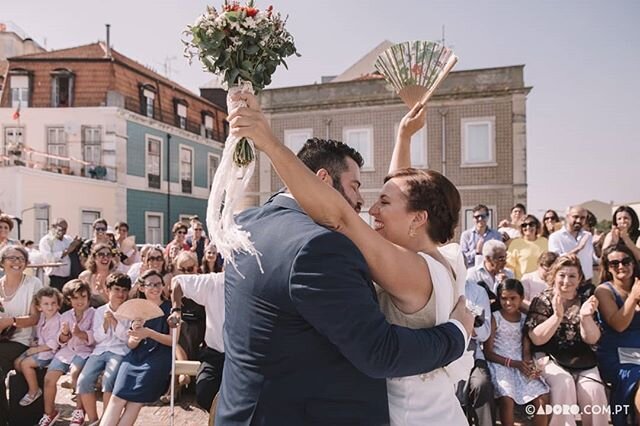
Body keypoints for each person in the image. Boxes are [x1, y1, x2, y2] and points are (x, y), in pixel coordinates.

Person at [225, 93, 473, 425]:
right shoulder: (429, 257)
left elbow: (341, 217)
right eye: (361, 190)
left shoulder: (416, 270)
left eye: (382, 202)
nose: (369, 209)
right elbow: (404, 195)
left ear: (417, 219)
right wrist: (403, 136)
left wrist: (269, 142)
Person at [525, 254, 608, 426]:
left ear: (579, 280)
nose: (566, 281)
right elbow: (536, 339)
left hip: (581, 359)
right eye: (562, 275)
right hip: (549, 357)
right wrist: (557, 316)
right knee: (564, 385)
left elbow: (593, 339)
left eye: (572, 276)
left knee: (594, 391)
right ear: (553, 276)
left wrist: (585, 317)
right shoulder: (542, 300)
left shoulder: (586, 300)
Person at [100, 270, 173, 426]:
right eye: (150, 284)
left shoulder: (171, 309)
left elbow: (173, 341)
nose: (155, 287)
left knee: (134, 403)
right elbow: (130, 344)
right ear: (141, 288)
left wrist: (149, 333)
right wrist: (136, 336)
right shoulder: (137, 309)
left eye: (158, 284)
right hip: (135, 356)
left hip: (158, 357)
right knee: (116, 398)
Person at [483, 279, 549, 426]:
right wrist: (512, 363)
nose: (508, 303)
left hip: (520, 364)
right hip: (500, 364)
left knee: (542, 397)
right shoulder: (495, 318)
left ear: (521, 298)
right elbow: (488, 352)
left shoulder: (524, 320)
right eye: (504, 298)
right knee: (507, 398)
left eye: (513, 298)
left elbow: (526, 350)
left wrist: (529, 366)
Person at [77, 273, 131, 426]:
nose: (120, 294)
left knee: (109, 380)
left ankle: (108, 421)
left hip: (120, 351)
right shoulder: (100, 311)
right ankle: (94, 420)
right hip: (100, 351)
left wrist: (114, 322)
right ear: (108, 290)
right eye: (117, 289)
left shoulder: (130, 311)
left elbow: (127, 339)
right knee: (83, 380)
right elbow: (97, 338)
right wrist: (105, 325)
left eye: (124, 290)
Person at [594, 245, 640, 426]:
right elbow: (619, 325)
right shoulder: (604, 291)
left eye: (625, 261)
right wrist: (633, 298)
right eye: (614, 263)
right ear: (608, 267)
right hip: (617, 354)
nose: (621, 266)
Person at [38, 280, 95, 426]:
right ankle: (50, 412)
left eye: (83, 296)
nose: (80, 301)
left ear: (88, 297)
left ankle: (79, 411)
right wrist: (64, 334)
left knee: (76, 373)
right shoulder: (65, 316)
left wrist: (81, 334)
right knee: (49, 379)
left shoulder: (94, 314)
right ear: (69, 299)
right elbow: (61, 341)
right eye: (75, 298)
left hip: (85, 352)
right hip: (66, 352)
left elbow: (96, 337)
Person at [170, 267, 225, 412]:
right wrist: (176, 310)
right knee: (204, 392)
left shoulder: (255, 281)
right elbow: (177, 282)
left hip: (245, 356)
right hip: (216, 354)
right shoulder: (213, 282)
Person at [0, 246, 43, 426]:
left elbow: (35, 318)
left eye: (21, 259)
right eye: (12, 258)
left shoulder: (33, 284)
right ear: (2, 262)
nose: (17, 262)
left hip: (22, 340)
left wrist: (9, 321)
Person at [14, 287, 63, 408]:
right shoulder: (41, 317)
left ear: (58, 305)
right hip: (39, 348)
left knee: (25, 364)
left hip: (50, 353)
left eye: (53, 303)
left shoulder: (59, 320)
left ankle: (34, 390)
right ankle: (29, 381)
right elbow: (39, 334)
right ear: (40, 306)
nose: (50, 307)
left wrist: (36, 349)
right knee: (17, 363)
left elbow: (54, 342)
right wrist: (34, 342)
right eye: (46, 304)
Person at [458, 272, 495, 426]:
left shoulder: (477, 292)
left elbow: (485, 333)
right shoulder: (434, 285)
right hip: (443, 354)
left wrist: (470, 323)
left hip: (473, 355)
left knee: (482, 384)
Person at [548, 206, 595, 284]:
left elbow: (593, 259)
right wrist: (578, 248)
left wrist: (598, 248)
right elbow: (555, 261)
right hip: (566, 283)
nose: (578, 220)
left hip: (586, 283)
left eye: (582, 218)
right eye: (575, 217)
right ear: (567, 217)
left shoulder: (588, 236)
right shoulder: (555, 237)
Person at [38, 218, 82, 291]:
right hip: (55, 278)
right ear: (53, 227)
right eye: (61, 229)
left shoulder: (68, 239)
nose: (63, 232)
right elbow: (49, 258)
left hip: (69, 278)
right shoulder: (46, 241)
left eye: (65, 229)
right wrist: (67, 251)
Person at [506, 214, 548, 279]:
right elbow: (509, 266)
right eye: (524, 225)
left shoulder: (545, 241)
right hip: (522, 283)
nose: (528, 227)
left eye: (531, 224)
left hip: (542, 283)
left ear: (537, 226)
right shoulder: (515, 243)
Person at [79, 243, 117, 307]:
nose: (105, 257)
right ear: (94, 258)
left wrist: (101, 290)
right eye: (101, 255)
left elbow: (115, 304)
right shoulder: (85, 276)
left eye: (108, 255)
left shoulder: (115, 277)